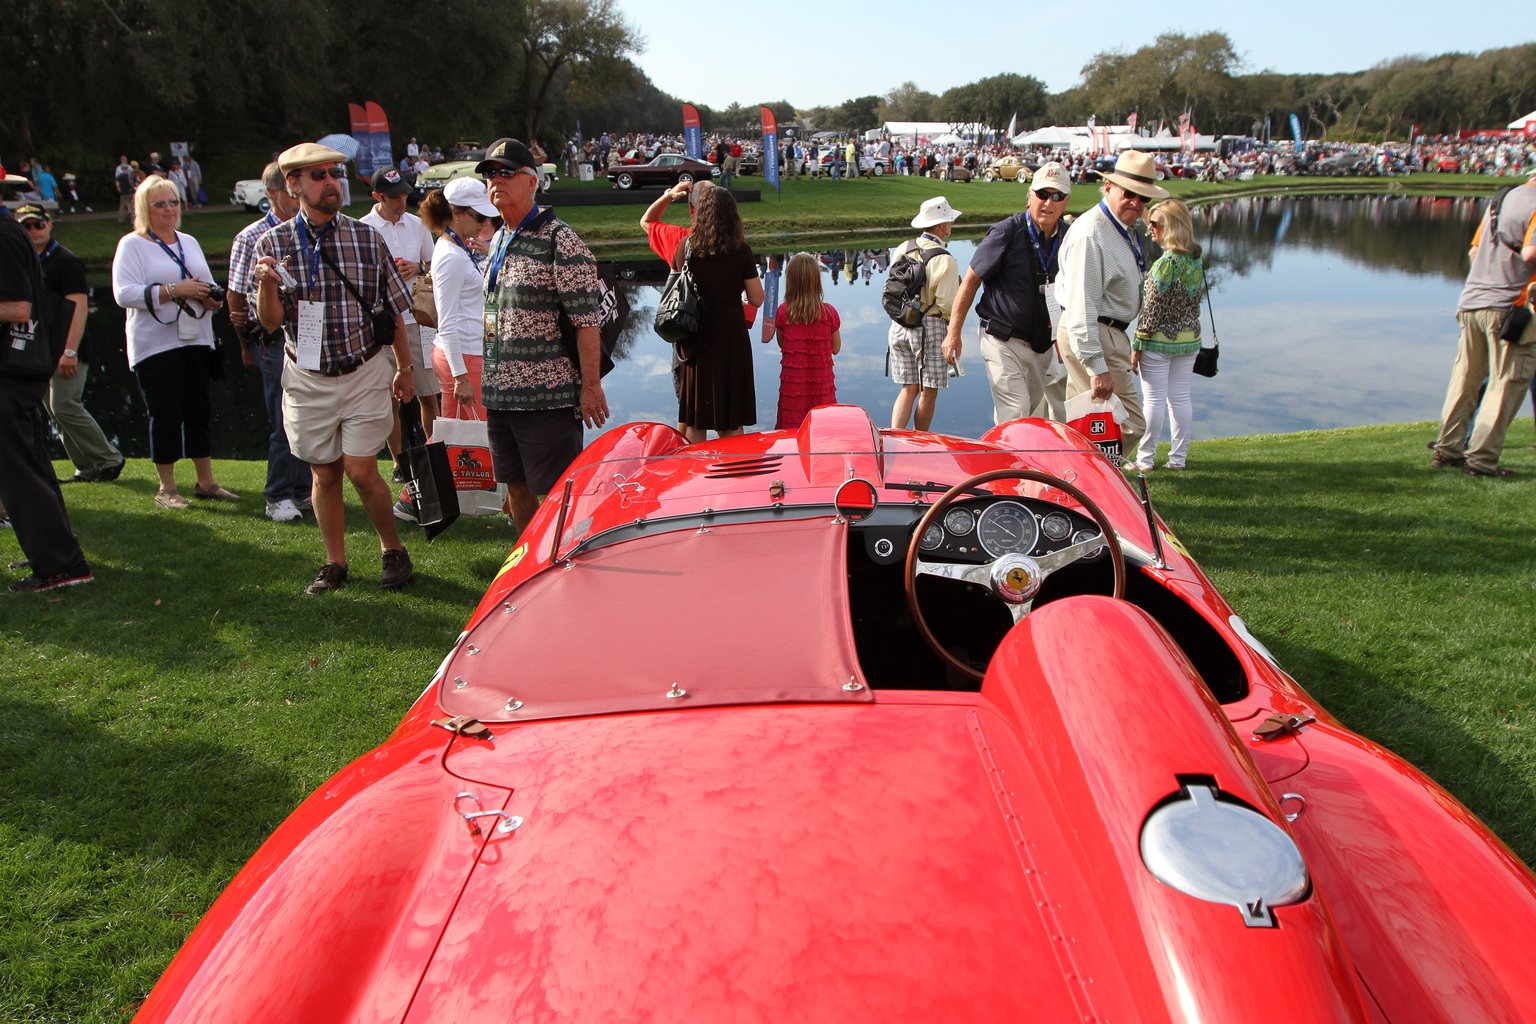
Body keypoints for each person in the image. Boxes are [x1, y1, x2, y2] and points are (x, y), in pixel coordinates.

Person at [251, 142, 417, 593]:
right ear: (294, 185)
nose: (330, 183)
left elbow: (394, 312)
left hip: (364, 370)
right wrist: (267, 283)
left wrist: (404, 368)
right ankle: (335, 562)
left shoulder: (366, 238)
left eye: (334, 174)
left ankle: (391, 548)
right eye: (319, 175)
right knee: (323, 472)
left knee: (361, 468)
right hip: (307, 377)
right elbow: (268, 321)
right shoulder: (273, 243)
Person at [477, 138, 608, 533]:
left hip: (546, 398)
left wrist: (590, 387)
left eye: (506, 173)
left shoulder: (559, 240)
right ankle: (529, 567)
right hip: (500, 396)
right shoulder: (499, 237)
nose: (496, 181)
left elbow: (587, 322)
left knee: (558, 495)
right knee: (516, 489)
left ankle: (569, 570)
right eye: (490, 175)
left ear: (532, 182)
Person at [111, 175, 235, 510]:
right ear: (144, 209)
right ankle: (167, 488)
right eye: (160, 204)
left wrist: (212, 298)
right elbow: (123, 294)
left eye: (173, 202)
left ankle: (206, 482)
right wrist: (172, 291)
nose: (169, 209)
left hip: (196, 338)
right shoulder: (132, 244)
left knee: (199, 409)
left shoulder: (189, 241)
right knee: (164, 413)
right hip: (155, 344)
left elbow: (209, 283)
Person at [0, 169, 94, 592]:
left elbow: (18, 308)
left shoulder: (3, 234)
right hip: (16, 371)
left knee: (18, 472)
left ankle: (59, 567)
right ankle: (57, 556)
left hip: (9, 372)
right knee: (31, 467)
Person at [1056, 150, 1168, 462]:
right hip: (1096, 332)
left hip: (1108, 331)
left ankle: (1080, 483)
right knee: (1128, 423)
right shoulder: (1092, 233)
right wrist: (1097, 366)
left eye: (1143, 198)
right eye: (1129, 193)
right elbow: (1080, 305)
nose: (1136, 202)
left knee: (1095, 425)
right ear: (1108, 188)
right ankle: (1086, 481)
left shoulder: (1122, 227)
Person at [944, 162, 1072, 426]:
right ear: (1029, 195)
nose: (1048, 202)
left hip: (1042, 344)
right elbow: (970, 281)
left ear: (1066, 201)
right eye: (1042, 194)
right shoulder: (1006, 232)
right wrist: (953, 333)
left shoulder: (1070, 238)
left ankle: (1003, 457)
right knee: (1016, 410)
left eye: (1056, 196)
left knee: (1028, 412)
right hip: (1001, 338)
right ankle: (1013, 465)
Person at [1431, 174, 1536, 477]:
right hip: (1511, 308)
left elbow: (1474, 252)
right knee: (1507, 382)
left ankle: (1447, 450)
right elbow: (1530, 253)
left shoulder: (1502, 198)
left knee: (1466, 379)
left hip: (1472, 301)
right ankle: (1481, 461)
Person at [14, 205, 125, 483]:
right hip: (40, 346)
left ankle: (109, 458)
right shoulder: (24, 259)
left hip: (68, 347)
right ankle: (86, 467)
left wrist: (70, 351)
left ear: (49, 224)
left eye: (38, 225)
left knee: (65, 405)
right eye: (26, 227)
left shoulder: (66, 261)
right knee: (54, 409)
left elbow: (79, 308)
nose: (33, 231)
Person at [227, 161, 311, 522]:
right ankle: (277, 495)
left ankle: (302, 490)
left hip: (308, 333)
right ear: (275, 193)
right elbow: (235, 298)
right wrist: (244, 345)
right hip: (272, 340)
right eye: (292, 191)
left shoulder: (307, 231)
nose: (297, 198)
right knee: (283, 417)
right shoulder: (251, 237)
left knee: (308, 415)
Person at [360, 165, 439, 478]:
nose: (401, 199)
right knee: (388, 399)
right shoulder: (362, 227)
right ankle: (398, 462)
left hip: (417, 320)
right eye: (394, 196)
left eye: (404, 193)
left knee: (428, 395)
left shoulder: (417, 224)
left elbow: (433, 265)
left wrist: (417, 268)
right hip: (381, 325)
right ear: (378, 196)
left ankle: (431, 455)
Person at [668, 185, 762, 441]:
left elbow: (676, 290)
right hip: (729, 335)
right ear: (731, 214)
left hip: (693, 334)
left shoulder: (685, 247)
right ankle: (733, 472)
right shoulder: (740, 250)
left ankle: (697, 475)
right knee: (730, 416)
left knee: (696, 417)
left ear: (700, 212)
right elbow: (757, 298)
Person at [1132, 199, 1204, 472]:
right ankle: (1178, 459)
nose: (1149, 227)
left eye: (1155, 223)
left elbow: (1152, 309)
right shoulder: (1195, 259)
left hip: (1159, 341)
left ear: (1171, 227)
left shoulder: (1167, 263)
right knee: (1181, 399)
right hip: (1189, 339)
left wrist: (1138, 342)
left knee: (1153, 400)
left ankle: (1145, 459)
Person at [420, 177, 500, 421]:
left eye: (488, 217)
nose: (485, 223)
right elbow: (447, 323)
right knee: (471, 444)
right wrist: (461, 378)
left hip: (472, 352)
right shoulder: (451, 255)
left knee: (469, 442)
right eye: (479, 217)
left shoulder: (458, 248)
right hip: (465, 357)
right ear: (455, 213)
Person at [889, 197, 961, 431]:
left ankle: (895, 439)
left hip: (899, 324)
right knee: (928, 391)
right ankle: (921, 441)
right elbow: (948, 305)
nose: (951, 224)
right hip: (930, 327)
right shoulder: (945, 259)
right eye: (949, 220)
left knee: (908, 388)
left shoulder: (904, 247)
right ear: (941, 225)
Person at [772, 252, 840, 430]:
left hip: (793, 390)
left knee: (791, 432)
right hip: (821, 386)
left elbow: (783, 344)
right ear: (816, 281)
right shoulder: (828, 313)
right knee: (823, 432)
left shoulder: (782, 312)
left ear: (791, 281)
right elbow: (836, 348)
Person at [114, 156, 136, 224]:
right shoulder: (132, 175)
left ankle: (121, 220)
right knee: (132, 207)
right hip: (131, 192)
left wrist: (118, 188)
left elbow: (117, 183)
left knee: (122, 207)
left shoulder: (120, 176)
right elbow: (135, 183)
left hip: (124, 193)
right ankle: (133, 221)